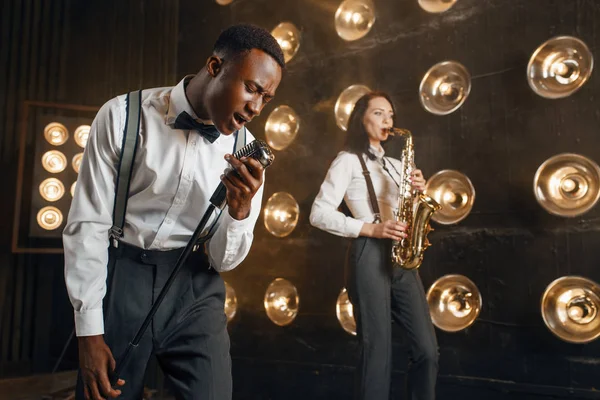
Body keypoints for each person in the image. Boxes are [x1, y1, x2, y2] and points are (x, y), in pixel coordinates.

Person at [63, 24, 285, 400]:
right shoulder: (122, 117)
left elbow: (223, 261)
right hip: (124, 277)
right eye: (251, 88)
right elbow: (88, 225)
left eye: (266, 98)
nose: (255, 109)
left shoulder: (248, 151)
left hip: (196, 287)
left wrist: (240, 211)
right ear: (215, 66)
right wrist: (88, 332)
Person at [309, 92, 438, 400]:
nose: (387, 121)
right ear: (361, 119)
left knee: (427, 350)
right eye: (379, 114)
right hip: (369, 254)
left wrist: (418, 192)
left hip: (402, 258)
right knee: (377, 350)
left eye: (390, 115)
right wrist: (372, 228)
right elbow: (319, 213)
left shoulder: (397, 165)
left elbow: (406, 211)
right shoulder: (347, 161)